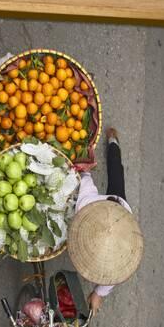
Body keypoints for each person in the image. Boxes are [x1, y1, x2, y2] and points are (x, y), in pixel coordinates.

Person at [68, 127, 144, 314]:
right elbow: (85, 179)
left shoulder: (122, 254)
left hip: (120, 208)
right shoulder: (85, 205)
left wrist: (98, 294)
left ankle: (113, 143)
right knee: (115, 170)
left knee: (117, 175)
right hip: (107, 204)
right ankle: (113, 141)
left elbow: (111, 279)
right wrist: (84, 170)